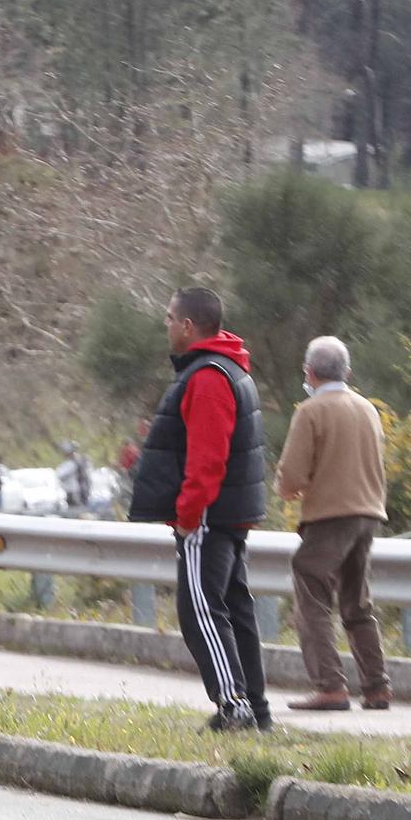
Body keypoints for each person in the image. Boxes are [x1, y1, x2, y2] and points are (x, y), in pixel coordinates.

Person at [126, 287, 270, 732]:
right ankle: (256, 710)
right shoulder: (230, 369)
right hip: (230, 513)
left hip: (206, 517)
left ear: (188, 326)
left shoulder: (207, 377)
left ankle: (234, 707)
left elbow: (207, 459)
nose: (166, 325)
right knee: (233, 609)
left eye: (170, 318)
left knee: (200, 611)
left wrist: (188, 516)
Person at [275, 336, 392, 712]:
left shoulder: (311, 411)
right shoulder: (367, 409)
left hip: (329, 515)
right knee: (357, 602)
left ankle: (330, 686)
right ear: (348, 372)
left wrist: (286, 489)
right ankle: (376, 687)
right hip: (369, 514)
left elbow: (292, 475)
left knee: (311, 590)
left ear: (310, 372)